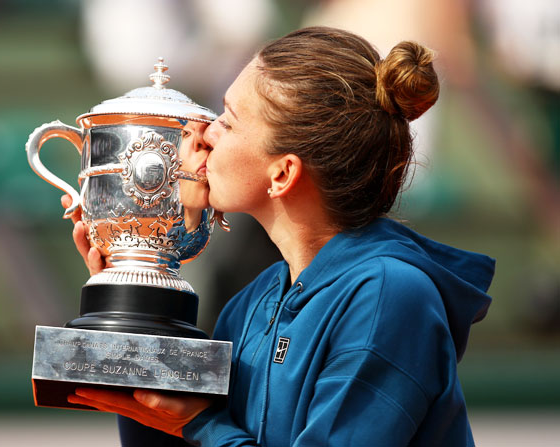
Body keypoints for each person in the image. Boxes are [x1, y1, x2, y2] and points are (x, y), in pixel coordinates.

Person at [64, 27, 495, 447]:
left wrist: (202, 423)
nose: (206, 134)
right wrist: (132, 300)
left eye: (228, 122)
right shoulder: (253, 302)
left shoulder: (389, 298)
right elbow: (176, 432)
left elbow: (204, 429)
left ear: (283, 173)